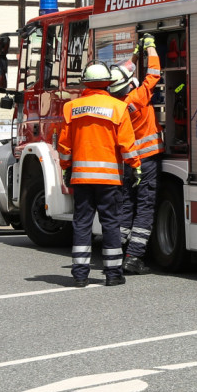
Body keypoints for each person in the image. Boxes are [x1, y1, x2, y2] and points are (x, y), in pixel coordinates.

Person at [58, 62, 140, 287]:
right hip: (109, 179)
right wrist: (136, 166)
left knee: (82, 224)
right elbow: (127, 144)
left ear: (86, 83)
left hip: (82, 178)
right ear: (108, 84)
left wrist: (66, 168)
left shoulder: (71, 108)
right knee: (111, 223)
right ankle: (113, 274)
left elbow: (64, 146)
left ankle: (80, 275)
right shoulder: (118, 108)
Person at [110, 33, 162, 274]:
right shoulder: (138, 97)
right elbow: (154, 75)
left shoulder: (115, 104)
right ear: (130, 83)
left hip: (127, 163)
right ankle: (134, 258)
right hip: (147, 160)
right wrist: (150, 48)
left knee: (126, 206)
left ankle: (118, 254)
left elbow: (128, 71)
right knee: (145, 206)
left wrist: (134, 53)